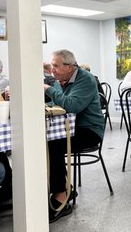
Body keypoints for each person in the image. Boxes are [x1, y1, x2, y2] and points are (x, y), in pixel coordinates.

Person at [44, 50, 105, 223]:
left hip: (89, 130)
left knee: (53, 144)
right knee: (45, 143)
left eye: (56, 65)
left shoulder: (85, 79)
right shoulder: (60, 80)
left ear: (70, 67)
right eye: (52, 65)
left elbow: (72, 105)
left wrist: (49, 90)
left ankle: (61, 195)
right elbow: (57, 102)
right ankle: (63, 187)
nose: (52, 69)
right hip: (68, 129)